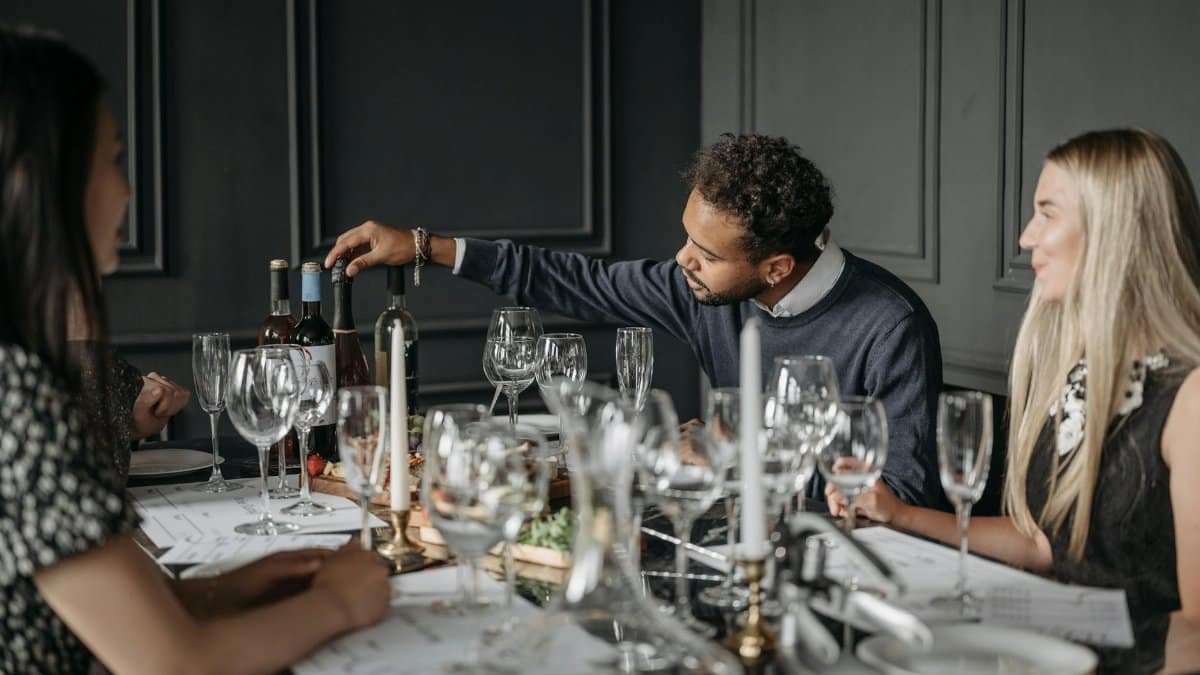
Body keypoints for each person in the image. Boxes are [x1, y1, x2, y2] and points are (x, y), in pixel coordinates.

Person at [0, 27, 389, 674]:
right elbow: (172, 665)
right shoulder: (14, 392)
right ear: (42, 180)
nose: (126, 191)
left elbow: (94, 618)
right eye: (113, 159)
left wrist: (234, 587)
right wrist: (342, 604)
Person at [325, 133, 949, 510]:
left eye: (705, 254)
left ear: (777, 266)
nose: (683, 261)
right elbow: (576, 281)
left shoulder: (890, 326)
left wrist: (735, 457)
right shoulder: (702, 288)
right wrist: (425, 245)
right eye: (687, 239)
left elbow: (901, 498)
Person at [825, 128, 1200, 672]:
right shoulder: (1082, 372)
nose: (1026, 238)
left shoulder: (1189, 397)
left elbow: (1197, 632)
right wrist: (901, 515)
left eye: (1047, 213)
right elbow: (1044, 545)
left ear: (1114, 229)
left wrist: (1045, 640)